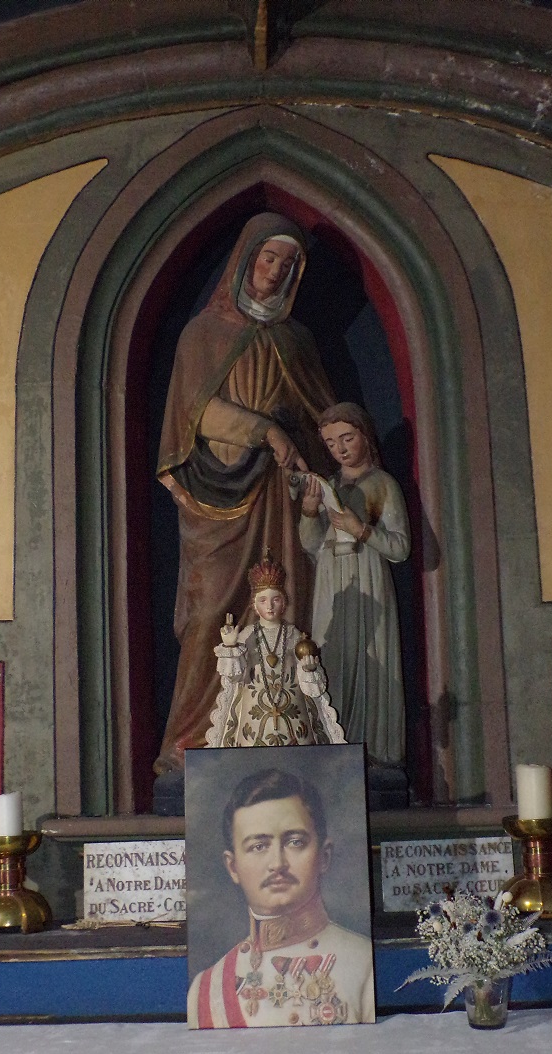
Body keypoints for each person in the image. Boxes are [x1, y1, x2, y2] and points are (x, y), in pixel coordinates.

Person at [154, 214, 336, 778]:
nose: (275, 271)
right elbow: (194, 413)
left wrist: (323, 456)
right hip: (220, 494)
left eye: (287, 263)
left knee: (289, 609)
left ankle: (291, 727)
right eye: (267, 258)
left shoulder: (296, 340)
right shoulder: (202, 333)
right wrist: (266, 430)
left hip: (283, 496)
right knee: (212, 611)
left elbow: (323, 419)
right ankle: (189, 740)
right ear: (244, 260)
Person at [187, 767, 375, 1028]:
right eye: (258, 846)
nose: (277, 863)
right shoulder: (206, 989)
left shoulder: (363, 964)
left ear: (324, 856)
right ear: (233, 867)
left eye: (295, 842)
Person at [298, 402, 411, 773]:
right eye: (331, 443)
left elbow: (400, 548)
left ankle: (376, 748)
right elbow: (312, 545)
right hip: (332, 583)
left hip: (367, 578)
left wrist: (359, 528)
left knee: (370, 660)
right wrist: (310, 511)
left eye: (347, 438)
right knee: (330, 657)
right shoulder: (329, 485)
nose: (340, 449)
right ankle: (332, 742)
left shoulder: (383, 484)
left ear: (365, 435)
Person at [205, 552, 345, 748]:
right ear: (255, 605)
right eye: (263, 600)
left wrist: (309, 670)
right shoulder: (247, 635)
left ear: (284, 603)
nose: (269, 606)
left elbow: (310, 688)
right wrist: (230, 646)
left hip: (293, 713)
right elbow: (234, 676)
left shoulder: (294, 635)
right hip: (253, 715)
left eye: (275, 599)